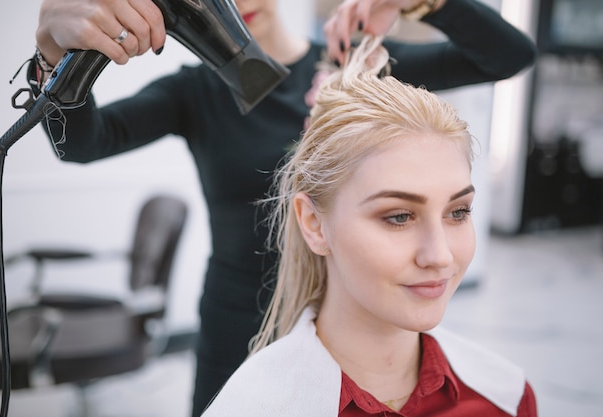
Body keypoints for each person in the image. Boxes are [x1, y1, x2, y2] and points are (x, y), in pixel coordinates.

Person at [29, 0, 536, 415]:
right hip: (238, 321)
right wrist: (53, 55)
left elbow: (507, 57)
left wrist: (426, 3)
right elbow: (83, 143)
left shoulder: (356, 67)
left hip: (357, 322)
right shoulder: (194, 92)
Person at [201, 35, 537, 417]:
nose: (440, 256)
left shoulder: (504, 398)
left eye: (458, 212)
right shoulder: (252, 408)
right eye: (399, 217)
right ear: (314, 224)